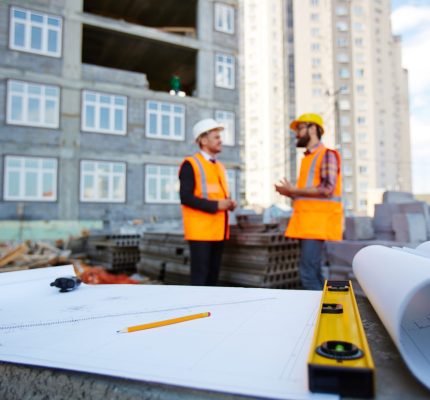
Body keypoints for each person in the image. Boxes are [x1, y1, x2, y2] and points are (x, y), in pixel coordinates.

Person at [275, 113, 343, 290]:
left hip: (317, 223)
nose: (296, 134)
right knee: (314, 271)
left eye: (300, 128)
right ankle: (322, 311)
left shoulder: (327, 154)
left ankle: (316, 315)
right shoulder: (308, 158)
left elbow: (327, 189)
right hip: (308, 223)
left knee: (308, 273)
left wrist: (294, 190)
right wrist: (290, 193)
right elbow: (308, 194)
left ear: (313, 129)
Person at [179, 118, 237, 286]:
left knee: (212, 277)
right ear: (203, 140)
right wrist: (217, 205)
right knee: (200, 278)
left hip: (218, 230)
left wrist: (228, 203)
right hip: (200, 232)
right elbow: (186, 197)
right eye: (216, 137)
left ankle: (210, 311)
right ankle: (197, 310)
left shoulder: (219, 166)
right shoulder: (190, 164)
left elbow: (217, 194)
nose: (221, 140)